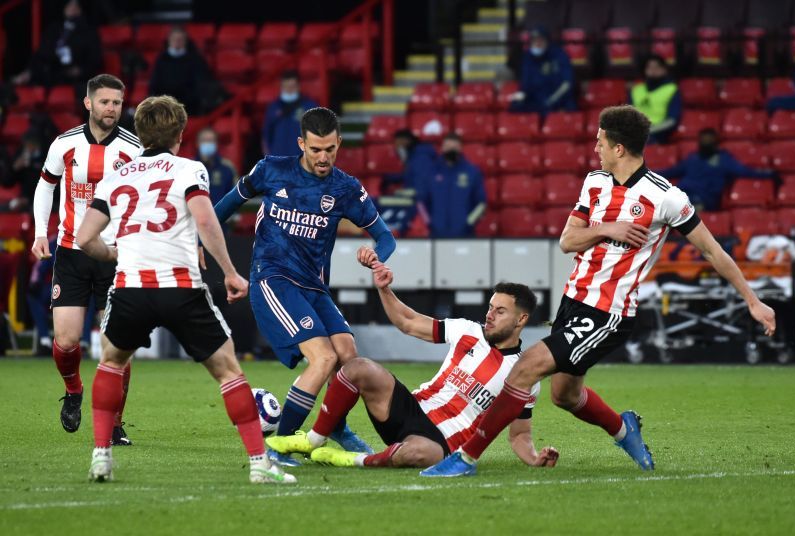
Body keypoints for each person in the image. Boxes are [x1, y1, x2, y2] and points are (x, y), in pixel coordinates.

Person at [422, 105, 776, 477]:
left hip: (608, 313)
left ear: (619, 148)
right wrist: (609, 229)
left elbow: (712, 250)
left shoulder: (667, 198)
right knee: (564, 395)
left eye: (600, 141)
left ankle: (465, 459)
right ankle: (625, 430)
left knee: (525, 369)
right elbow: (567, 240)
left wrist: (752, 300)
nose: (596, 148)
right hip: (573, 301)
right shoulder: (595, 182)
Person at [75, 95, 294, 485]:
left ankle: (100, 458)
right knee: (228, 371)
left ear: (140, 133)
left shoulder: (116, 177)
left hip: (131, 288)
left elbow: (84, 237)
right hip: (179, 286)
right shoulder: (189, 169)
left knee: (111, 363)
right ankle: (260, 463)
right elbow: (207, 222)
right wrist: (229, 271)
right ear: (181, 132)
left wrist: (112, 253)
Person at [214, 107, 397, 466]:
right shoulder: (271, 170)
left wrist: (376, 255)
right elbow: (223, 208)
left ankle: (337, 427)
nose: (323, 157)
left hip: (313, 286)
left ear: (339, 144)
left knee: (348, 354)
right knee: (324, 357)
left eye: (330, 149)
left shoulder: (345, 188)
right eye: (315, 149)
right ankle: (279, 445)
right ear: (302, 144)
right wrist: (201, 244)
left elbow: (385, 237)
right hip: (273, 277)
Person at [267, 271, 560, 470]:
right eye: (490, 307)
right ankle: (314, 439)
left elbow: (519, 434)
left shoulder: (524, 374)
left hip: (441, 442)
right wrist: (384, 288)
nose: (489, 315)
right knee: (358, 367)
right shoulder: (467, 331)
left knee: (420, 454)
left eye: (500, 311)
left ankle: (351, 459)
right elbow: (408, 322)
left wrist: (534, 458)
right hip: (408, 409)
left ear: (521, 319)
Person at [32, 73, 142, 444]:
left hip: (115, 255)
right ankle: (75, 390)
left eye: (118, 103)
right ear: (89, 103)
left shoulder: (133, 148)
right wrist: (37, 233)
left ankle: (115, 423)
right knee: (64, 342)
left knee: (117, 347)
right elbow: (45, 185)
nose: (112, 108)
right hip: (71, 252)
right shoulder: (64, 144)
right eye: (105, 101)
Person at [656, 128, 776, 212]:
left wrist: (768, 174)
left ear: (715, 142)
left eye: (709, 140)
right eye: (703, 140)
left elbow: (745, 171)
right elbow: (672, 171)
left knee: (688, 212)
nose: (706, 142)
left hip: (704, 200)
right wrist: (646, 174)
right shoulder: (693, 158)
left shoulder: (724, 159)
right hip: (682, 194)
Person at [12, 0, 101, 88]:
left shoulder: (89, 31)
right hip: (51, 68)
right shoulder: (54, 28)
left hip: (73, 72)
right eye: (69, 5)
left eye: (76, 6)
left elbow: (94, 59)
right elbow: (43, 51)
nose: (73, 8)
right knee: (40, 62)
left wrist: (80, 70)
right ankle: (28, 75)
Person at [417, 133, 487, 238]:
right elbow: (421, 201)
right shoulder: (431, 172)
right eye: (448, 147)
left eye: (454, 147)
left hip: (465, 234)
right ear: (442, 148)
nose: (451, 150)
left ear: (460, 148)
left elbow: (481, 203)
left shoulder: (472, 172)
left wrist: (468, 223)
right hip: (437, 234)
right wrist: (430, 223)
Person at [148, 26, 217, 115]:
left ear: (185, 41)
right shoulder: (161, 60)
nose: (177, 42)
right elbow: (154, 85)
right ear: (169, 40)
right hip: (164, 106)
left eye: (180, 39)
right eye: (174, 39)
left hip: (189, 106)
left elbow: (200, 85)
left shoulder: (195, 60)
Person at [509, 26, 576, 114]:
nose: (537, 43)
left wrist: (551, 101)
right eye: (534, 41)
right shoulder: (527, 57)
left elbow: (567, 84)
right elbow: (525, 84)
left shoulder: (559, 55)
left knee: (569, 108)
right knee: (515, 106)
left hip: (556, 99)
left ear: (547, 41)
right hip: (535, 100)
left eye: (540, 40)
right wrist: (521, 94)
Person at [261, 70, 319, 156]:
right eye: (286, 86)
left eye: (292, 86)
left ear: (299, 87)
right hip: (278, 159)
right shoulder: (273, 107)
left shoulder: (309, 106)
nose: (289, 90)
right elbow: (266, 134)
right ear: (281, 87)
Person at [629, 55, 682, 144]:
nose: (653, 70)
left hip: (658, 134)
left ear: (664, 70)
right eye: (649, 67)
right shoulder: (636, 90)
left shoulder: (672, 89)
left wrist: (649, 130)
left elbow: (672, 120)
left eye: (657, 67)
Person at [195, 127, 237, 205]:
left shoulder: (227, 168)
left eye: (210, 141)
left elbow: (235, 196)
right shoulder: (189, 167)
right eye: (204, 141)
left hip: (221, 216)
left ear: (216, 144)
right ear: (197, 143)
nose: (207, 144)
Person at [390, 129, 437, 193]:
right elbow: (411, 175)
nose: (396, 147)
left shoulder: (421, 157)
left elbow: (421, 182)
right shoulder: (413, 157)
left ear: (406, 141)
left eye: (398, 143)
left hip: (419, 199)